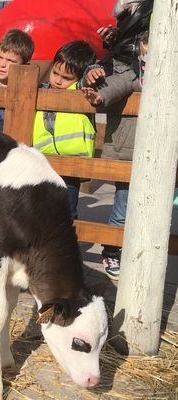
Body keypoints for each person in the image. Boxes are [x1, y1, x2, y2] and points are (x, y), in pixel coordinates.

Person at [81, 0, 152, 281]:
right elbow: (115, 84)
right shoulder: (130, 69)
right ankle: (113, 249)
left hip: (154, 153)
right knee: (123, 205)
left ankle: (135, 252)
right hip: (129, 148)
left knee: (145, 211)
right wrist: (98, 95)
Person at [32, 41, 96, 220]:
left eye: (67, 78)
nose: (58, 81)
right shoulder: (40, 91)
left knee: (66, 212)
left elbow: (94, 80)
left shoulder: (83, 92)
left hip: (71, 166)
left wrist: (93, 71)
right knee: (37, 212)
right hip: (41, 163)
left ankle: (65, 247)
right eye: (55, 73)